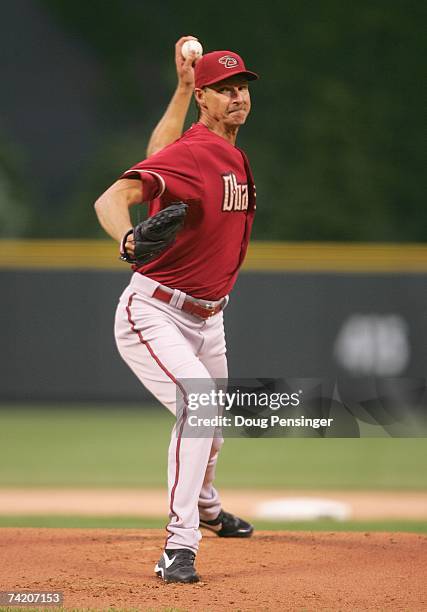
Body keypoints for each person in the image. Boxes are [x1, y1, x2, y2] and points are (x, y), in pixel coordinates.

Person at [94, 36, 259, 584]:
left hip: (209, 318)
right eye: (222, 90)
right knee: (204, 408)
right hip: (156, 311)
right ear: (205, 103)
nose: (237, 97)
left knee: (213, 426)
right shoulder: (197, 153)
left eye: (242, 88)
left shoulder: (226, 151)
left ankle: (208, 511)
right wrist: (125, 240)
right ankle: (178, 547)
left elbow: (158, 154)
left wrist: (184, 86)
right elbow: (110, 199)